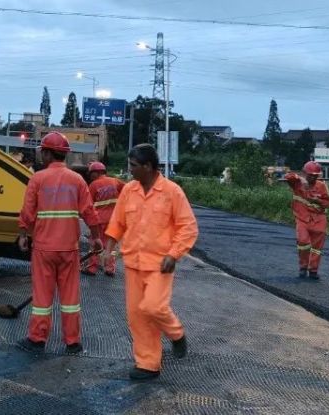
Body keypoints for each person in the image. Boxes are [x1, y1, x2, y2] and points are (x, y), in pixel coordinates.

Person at [103, 143, 199, 381]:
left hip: (160, 264)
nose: (130, 170)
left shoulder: (172, 191)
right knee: (137, 315)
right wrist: (109, 248)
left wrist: (174, 254)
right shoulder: (129, 191)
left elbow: (188, 227)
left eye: (133, 165)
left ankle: (176, 334)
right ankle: (148, 364)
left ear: (148, 166)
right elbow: (118, 222)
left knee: (153, 307)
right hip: (133, 262)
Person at [18, 132, 103, 355]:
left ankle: (37, 339)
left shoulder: (37, 179)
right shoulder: (77, 180)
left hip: (44, 248)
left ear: (46, 153)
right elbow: (89, 213)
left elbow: (28, 212)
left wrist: (23, 235)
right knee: (70, 298)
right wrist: (96, 238)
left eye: (42, 152)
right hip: (69, 248)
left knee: (42, 297)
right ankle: (73, 342)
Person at [284, 161, 329, 280]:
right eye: (310, 175)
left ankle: (313, 271)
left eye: (315, 175)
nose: (312, 177)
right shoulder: (296, 183)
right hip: (302, 218)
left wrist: (318, 201)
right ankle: (303, 267)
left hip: (319, 219)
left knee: (317, 247)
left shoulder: (321, 186)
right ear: (304, 173)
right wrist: (300, 179)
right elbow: (287, 176)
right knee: (303, 241)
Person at [82, 161, 125, 277]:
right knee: (111, 245)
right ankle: (109, 268)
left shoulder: (93, 185)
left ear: (96, 173)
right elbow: (128, 190)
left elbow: (88, 205)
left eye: (91, 173)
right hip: (114, 220)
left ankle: (91, 268)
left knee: (96, 243)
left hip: (99, 220)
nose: (90, 176)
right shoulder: (115, 181)